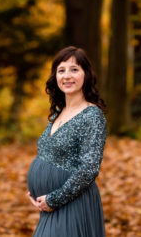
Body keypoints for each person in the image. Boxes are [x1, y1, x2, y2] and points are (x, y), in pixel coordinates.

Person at [26, 46, 107, 236]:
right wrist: (35, 192)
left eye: (74, 69)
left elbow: (89, 168)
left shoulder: (92, 116)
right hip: (49, 208)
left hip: (72, 204)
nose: (67, 76)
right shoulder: (57, 113)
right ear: (55, 77)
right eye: (61, 70)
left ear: (86, 74)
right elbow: (47, 154)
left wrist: (53, 199)